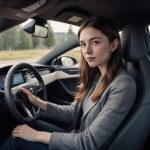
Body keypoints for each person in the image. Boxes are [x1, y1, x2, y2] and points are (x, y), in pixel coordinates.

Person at [0, 16, 136, 150]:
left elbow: (88, 142)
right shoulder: (97, 75)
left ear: (113, 45)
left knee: (16, 140)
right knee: (28, 125)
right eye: (83, 44)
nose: (87, 51)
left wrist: (37, 136)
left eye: (95, 42)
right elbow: (73, 113)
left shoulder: (123, 85)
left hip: (82, 144)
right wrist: (37, 102)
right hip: (76, 136)